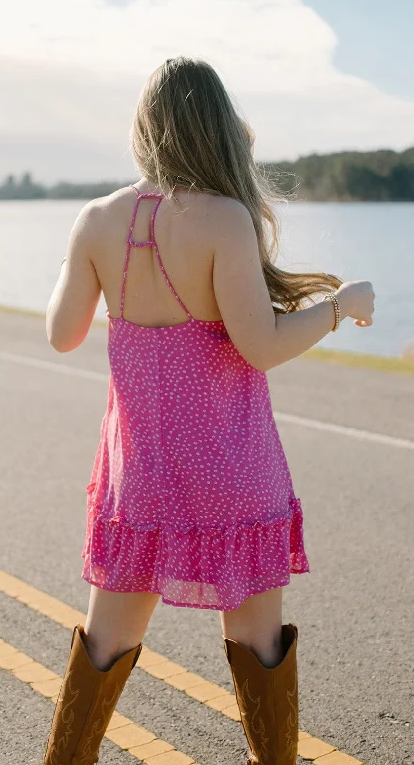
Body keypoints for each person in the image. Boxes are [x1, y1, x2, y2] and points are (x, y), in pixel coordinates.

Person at [44, 56, 375, 765]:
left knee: (106, 641)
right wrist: (337, 309)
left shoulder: (99, 219)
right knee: (256, 643)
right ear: (219, 130)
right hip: (232, 474)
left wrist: (80, 261)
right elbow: (259, 346)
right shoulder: (225, 219)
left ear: (144, 128)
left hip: (143, 479)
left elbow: (61, 333)